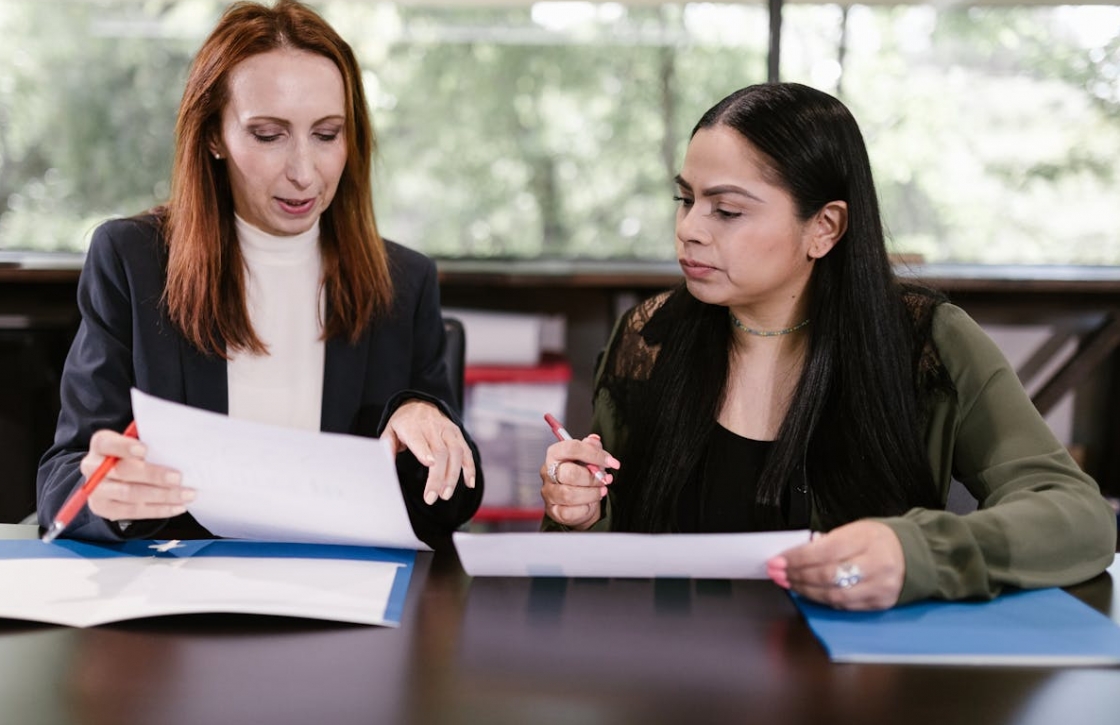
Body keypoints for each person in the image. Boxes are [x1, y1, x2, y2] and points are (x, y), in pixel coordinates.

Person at [539, 82, 1116, 610]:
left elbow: (1077, 517)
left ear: (826, 227)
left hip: (860, 686)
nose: (690, 227)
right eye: (685, 200)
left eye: (728, 210)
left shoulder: (927, 341)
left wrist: (913, 553)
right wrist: (580, 511)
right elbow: (608, 559)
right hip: (676, 682)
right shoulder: (650, 336)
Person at [37, 0, 482, 547]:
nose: (303, 172)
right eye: (269, 135)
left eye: (326, 134)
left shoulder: (403, 282)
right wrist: (103, 496)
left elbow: (449, 507)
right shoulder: (133, 261)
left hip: (341, 597)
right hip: (180, 597)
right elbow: (63, 480)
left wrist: (429, 429)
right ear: (213, 137)